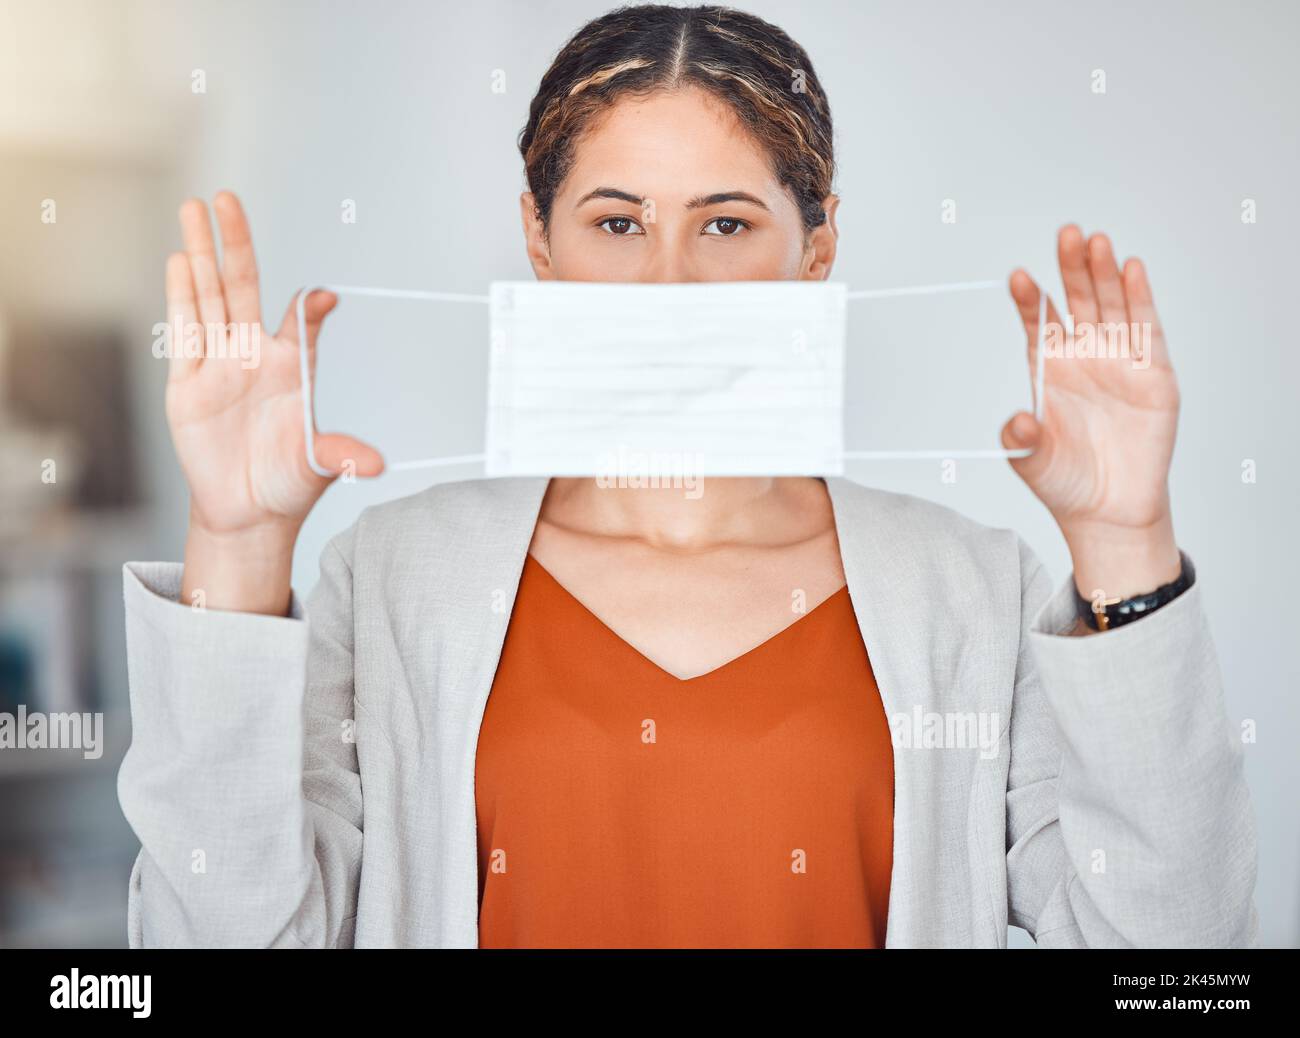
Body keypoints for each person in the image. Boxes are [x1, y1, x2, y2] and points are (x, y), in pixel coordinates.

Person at [117, 3, 1256, 948]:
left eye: (724, 225)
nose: (666, 284)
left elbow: (1174, 960)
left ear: (815, 250)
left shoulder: (972, 591)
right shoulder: (394, 580)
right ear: (538, 240)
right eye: (616, 223)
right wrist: (237, 542)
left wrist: (1124, 543)